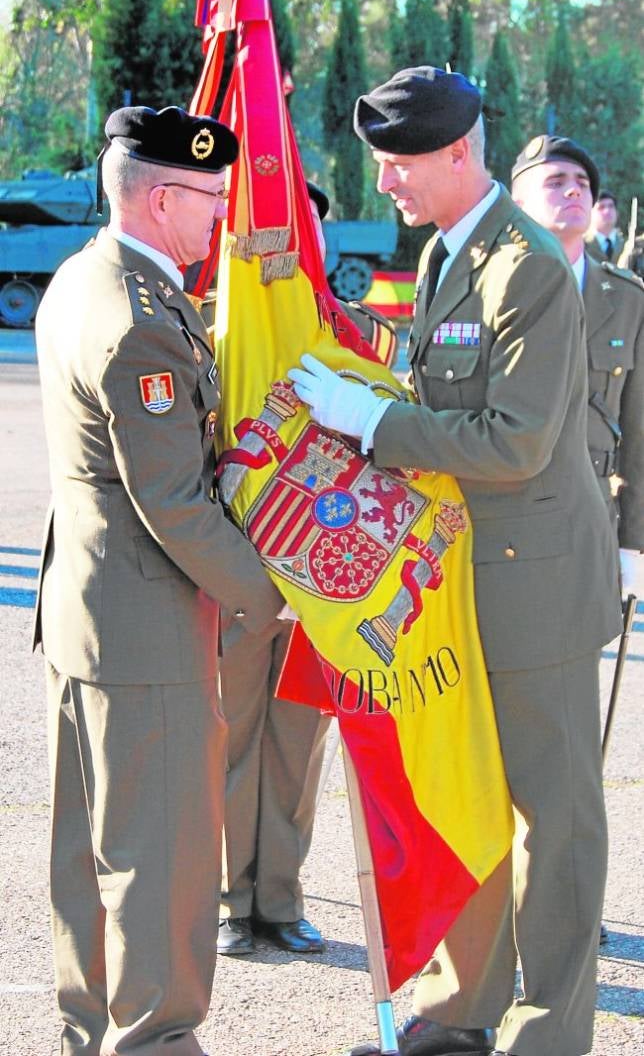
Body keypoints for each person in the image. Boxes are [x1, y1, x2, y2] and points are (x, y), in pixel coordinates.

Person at [288, 67, 623, 1056]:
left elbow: (513, 441)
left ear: (456, 153)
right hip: (458, 583)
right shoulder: (446, 255)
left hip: (534, 591)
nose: (384, 182)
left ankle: (546, 1036)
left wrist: (375, 421)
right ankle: (459, 1014)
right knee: (470, 805)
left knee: (550, 828)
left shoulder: (521, 267)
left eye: (397, 165)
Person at [33, 104, 288, 1056]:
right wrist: (277, 594)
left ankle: (90, 1028)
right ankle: (155, 1043)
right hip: (146, 623)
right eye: (213, 199)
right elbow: (174, 503)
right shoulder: (139, 321)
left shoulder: (82, 278)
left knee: (90, 853)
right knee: (166, 860)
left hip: (89, 614)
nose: (222, 217)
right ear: (164, 197)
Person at [217, 179, 398, 958]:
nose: (295, 240)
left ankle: (281, 900)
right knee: (230, 740)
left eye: (308, 227)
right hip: (233, 575)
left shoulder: (366, 335)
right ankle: (231, 902)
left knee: (297, 747)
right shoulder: (217, 329)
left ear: (319, 244)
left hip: (326, 581)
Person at [511, 134, 644, 598]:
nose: (575, 191)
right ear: (519, 202)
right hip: (499, 526)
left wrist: (633, 545)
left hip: (588, 523)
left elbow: (639, 433)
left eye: (583, 183)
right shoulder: (488, 288)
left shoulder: (627, 299)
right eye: (556, 181)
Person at [585, 188, 625, 264]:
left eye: (611, 206)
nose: (607, 211)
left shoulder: (626, 244)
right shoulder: (582, 244)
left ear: (617, 212)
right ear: (590, 213)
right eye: (601, 207)